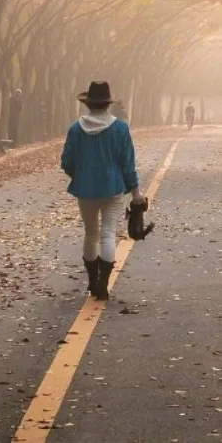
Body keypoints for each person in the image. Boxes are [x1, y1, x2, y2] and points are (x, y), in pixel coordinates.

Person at [61, 81, 144, 301]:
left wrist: (80, 175)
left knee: (91, 233)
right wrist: (135, 192)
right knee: (108, 233)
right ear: (108, 104)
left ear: (88, 104)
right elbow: (128, 162)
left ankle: (91, 281)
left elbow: (66, 161)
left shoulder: (75, 129)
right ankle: (103, 284)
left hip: (85, 188)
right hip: (113, 187)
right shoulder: (120, 129)